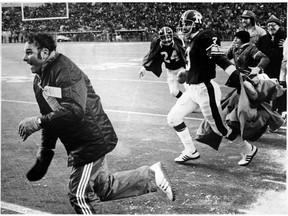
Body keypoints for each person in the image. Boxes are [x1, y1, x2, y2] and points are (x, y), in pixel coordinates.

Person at [18, 33, 175, 214]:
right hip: (79, 141)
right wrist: (45, 152)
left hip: (90, 139)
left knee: (79, 194)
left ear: (44, 53)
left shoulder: (65, 71)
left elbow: (75, 110)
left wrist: (37, 122)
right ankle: (151, 176)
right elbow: (50, 117)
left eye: (29, 52)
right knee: (102, 188)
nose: (24, 58)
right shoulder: (39, 80)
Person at [167, 9, 258, 166]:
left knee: (219, 129)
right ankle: (191, 151)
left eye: (187, 24)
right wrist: (186, 73)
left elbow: (220, 59)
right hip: (193, 89)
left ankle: (248, 149)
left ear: (197, 24)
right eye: (182, 24)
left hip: (205, 89)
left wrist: (236, 75)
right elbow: (197, 63)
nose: (184, 28)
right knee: (173, 118)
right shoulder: (191, 40)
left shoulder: (205, 37)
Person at [139, 26, 188, 98]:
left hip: (182, 68)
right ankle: (185, 100)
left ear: (172, 36)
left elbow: (186, 52)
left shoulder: (178, 41)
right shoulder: (158, 45)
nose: (166, 39)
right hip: (170, 71)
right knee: (174, 92)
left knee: (190, 88)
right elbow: (151, 56)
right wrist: (143, 67)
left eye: (168, 37)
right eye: (164, 37)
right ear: (160, 38)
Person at [258, 15, 287, 117]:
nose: (271, 27)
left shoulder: (284, 36)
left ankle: (279, 112)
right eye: (269, 26)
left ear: (279, 26)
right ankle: (269, 112)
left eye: (273, 25)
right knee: (268, 92)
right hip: (268, 70)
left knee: (280, 92)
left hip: (281, 69)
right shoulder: (264, 38)